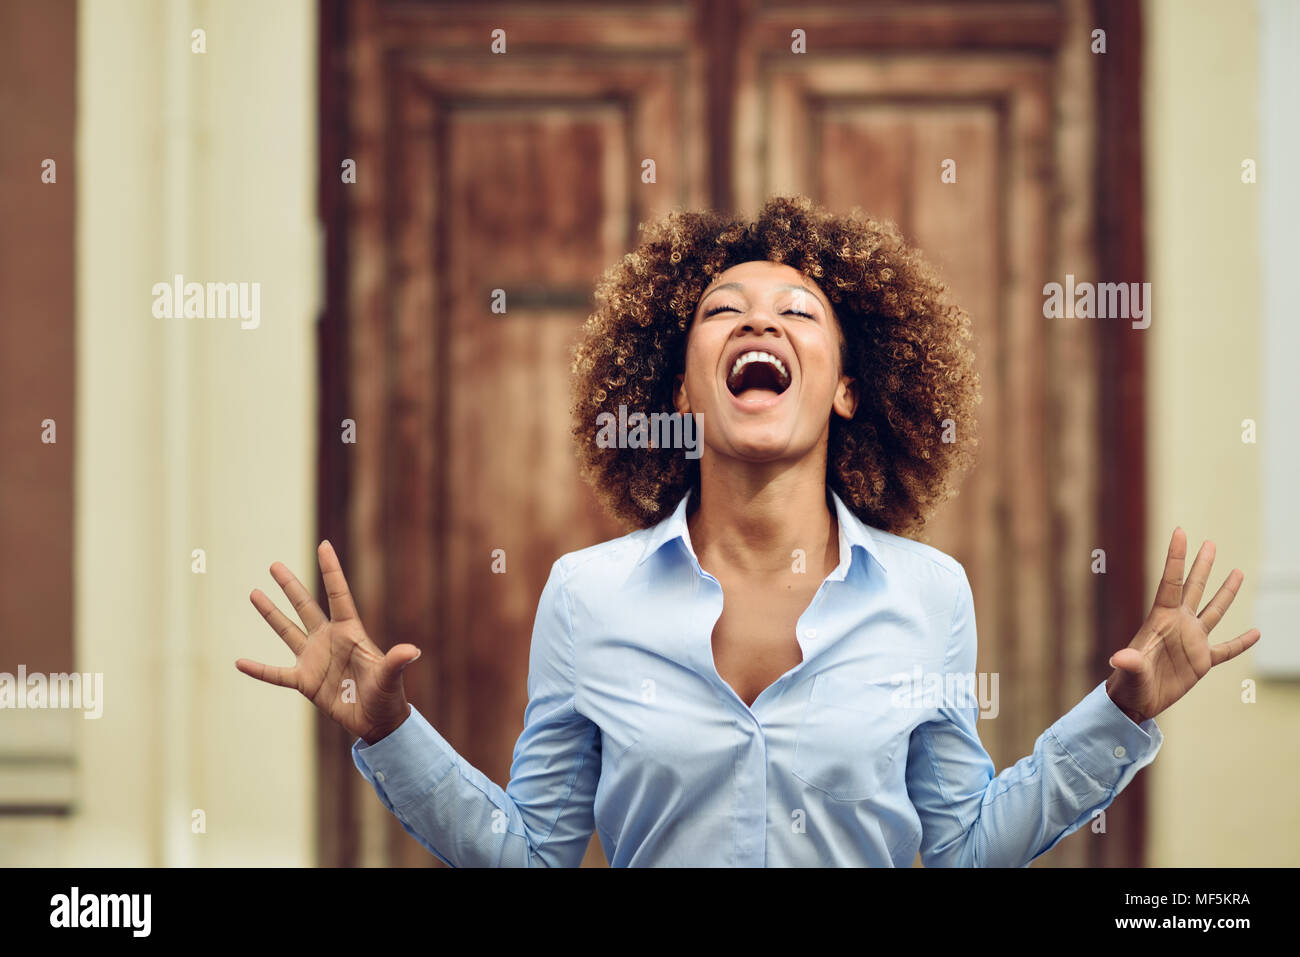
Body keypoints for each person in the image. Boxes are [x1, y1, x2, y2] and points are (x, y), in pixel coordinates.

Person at [236, 195, 1260, 866]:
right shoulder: (587, 596)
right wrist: (388, 732)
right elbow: (530, 855)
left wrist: (1117, 720)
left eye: (798, 315)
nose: (759, 324)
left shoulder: (927, 595)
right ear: (680, 385)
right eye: (723, 311)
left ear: (850, 389)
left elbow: (961, 845)